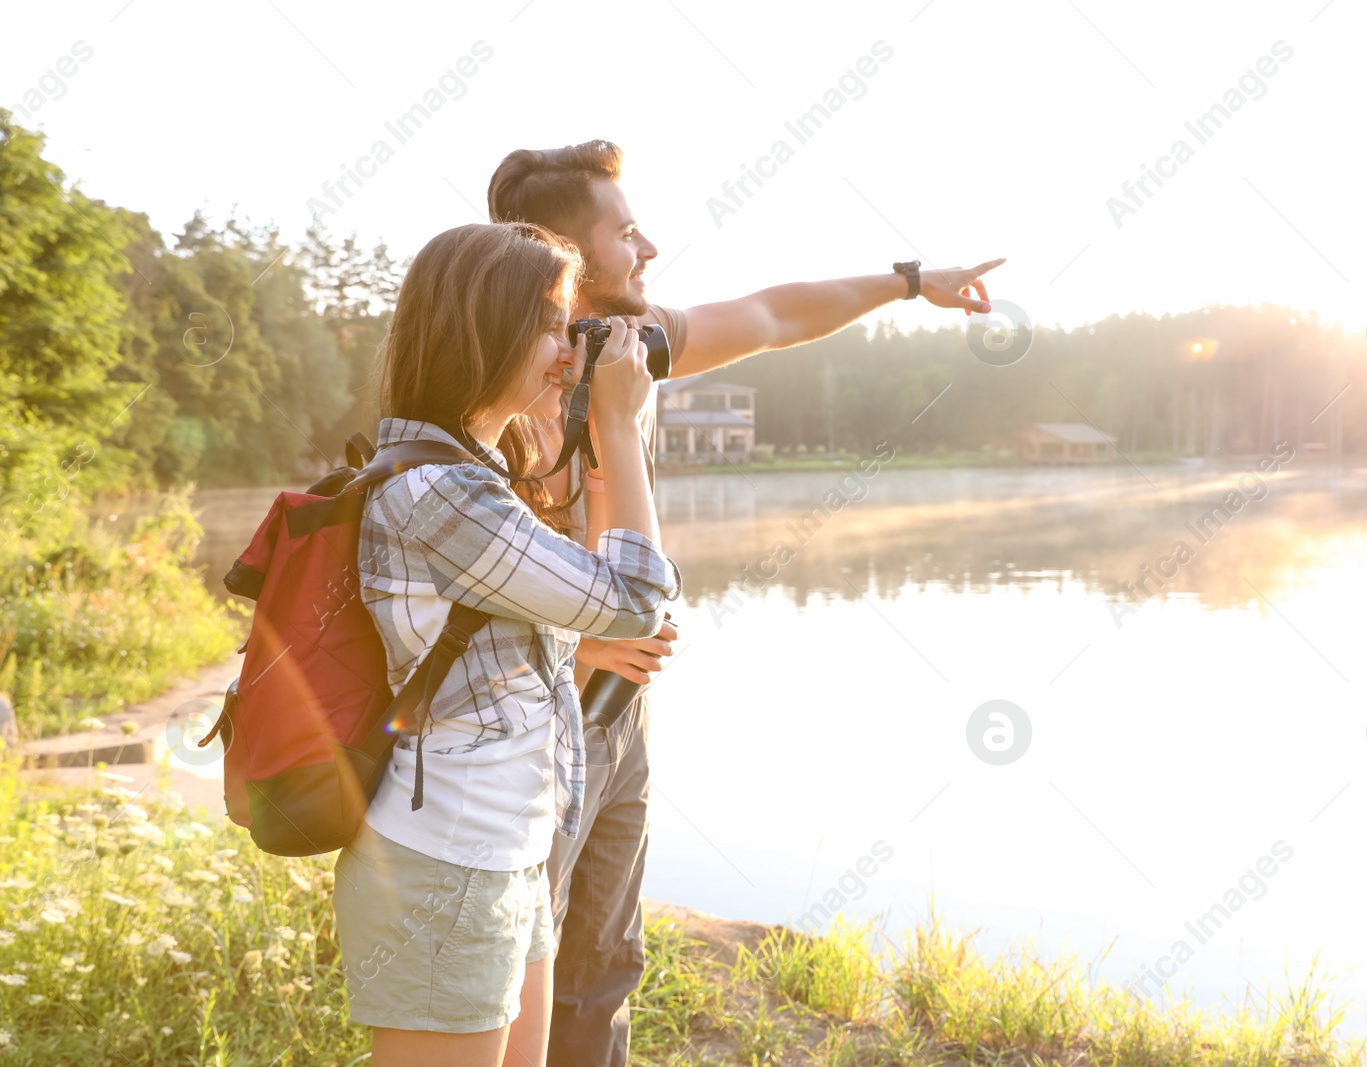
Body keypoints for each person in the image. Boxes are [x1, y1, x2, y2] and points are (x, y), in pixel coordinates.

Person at [486, 140, 1003, 1067]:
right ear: (561, 247)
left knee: (603, 967)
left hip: (623, 710)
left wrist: (912, 280)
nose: (648, 248)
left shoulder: (633, 344)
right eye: (626, 232)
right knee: (519, 960)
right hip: (533, 717)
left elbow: (772, 314)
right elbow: (442, 566)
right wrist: (576, 649)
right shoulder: (500, 378)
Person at [330, 220, 680, 1067]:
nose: (571, 348)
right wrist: (622, 428)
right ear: (493, 330)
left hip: (507, 856)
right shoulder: (440, 491)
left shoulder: (472, 472)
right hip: (446, 865)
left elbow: (545, 629)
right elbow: (634, 598)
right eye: (558, 324)